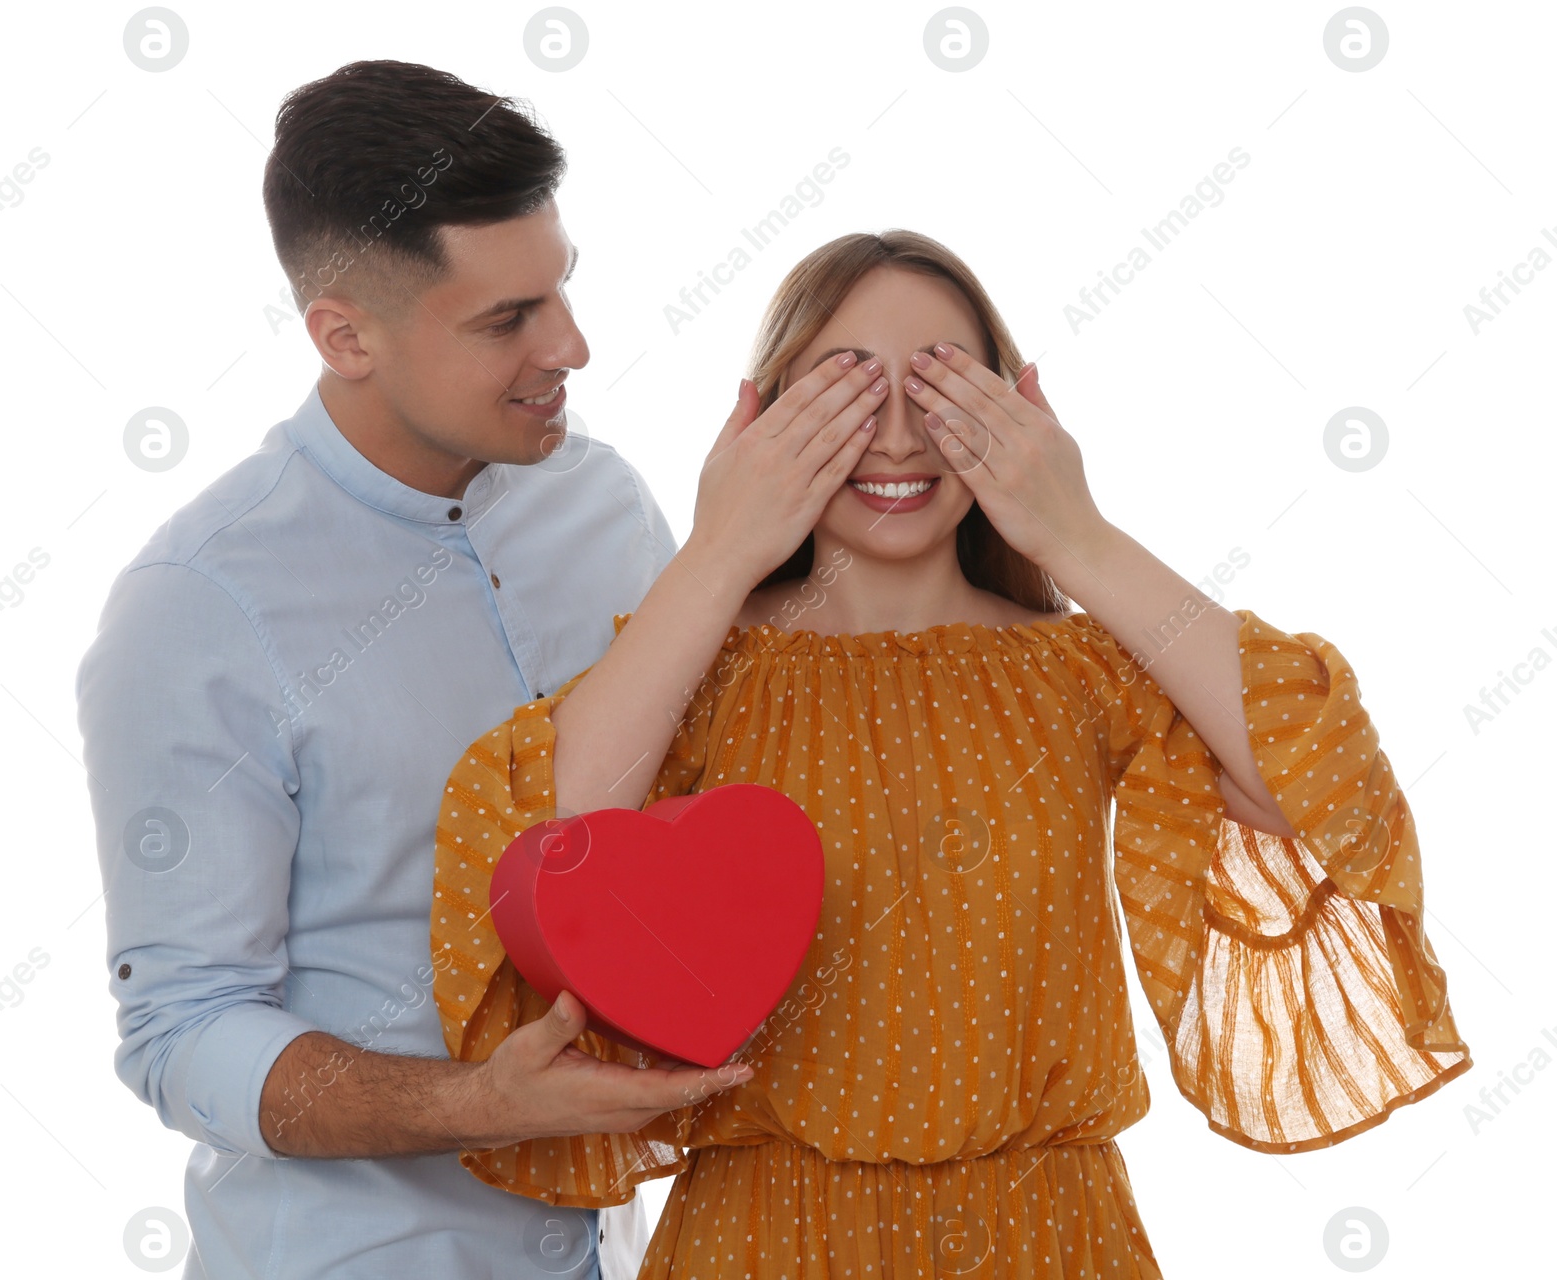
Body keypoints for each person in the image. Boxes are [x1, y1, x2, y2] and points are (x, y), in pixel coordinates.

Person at [430, 229, 1474, 1276]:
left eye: (940, 389)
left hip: (1049, 1234)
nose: (895, 438)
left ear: (1011, 408)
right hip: (760, 1236)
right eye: (844, 391)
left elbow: (1319, 782)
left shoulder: (1081, 670)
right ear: (764, 418)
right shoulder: (707, 669)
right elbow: (546, 842)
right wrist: (719, 548)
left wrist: (1078, 534)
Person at [74, 59, 749, 1280]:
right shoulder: (194, 611)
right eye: (507, 321)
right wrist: (481, 1104)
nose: (573, 347)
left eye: (560, 293)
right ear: (345, 335)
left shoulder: (600, 501)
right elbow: (183, 1030)